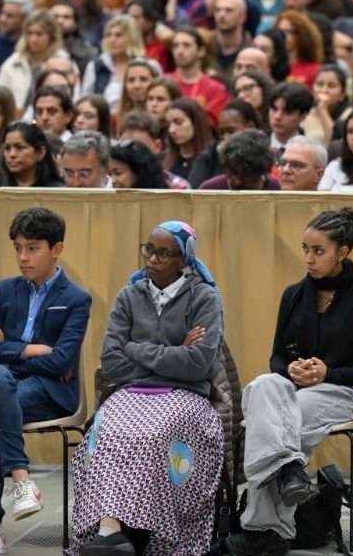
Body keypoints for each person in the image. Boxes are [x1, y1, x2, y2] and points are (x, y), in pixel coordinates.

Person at [225, 208, 353, 555]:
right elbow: (276, 358)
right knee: (265, 384)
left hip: (341, 392)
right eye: (305, 249)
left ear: (342, 252)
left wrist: (328, 374)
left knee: (274, 425)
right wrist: (290, 371)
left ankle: (269, 528)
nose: (309, 259)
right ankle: (290, 472)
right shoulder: (293, 294)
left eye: (318, 251)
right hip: (292, 390)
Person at [70, 220, 224, 555]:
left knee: (155, 435)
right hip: (130, 393)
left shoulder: (204, 298)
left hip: (186, 396)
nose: (152, 259)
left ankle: (148, 532)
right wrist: (175, 352)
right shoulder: (129, 296)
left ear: (184, 259)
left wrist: (137, 348)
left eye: (163, 254)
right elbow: (111, 362)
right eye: (149, 250)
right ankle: (109, 530)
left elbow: (200, 364)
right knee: (107, 432)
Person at [0, 207, 91, 555]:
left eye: (32, 248)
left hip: (47, 392)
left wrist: (6, 347)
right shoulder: (5, 290)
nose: (22, 257)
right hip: (4, 383)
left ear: (57, 249)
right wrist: (31, 350)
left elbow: (63, 360)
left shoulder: (76, 299)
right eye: (18, 247)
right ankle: (21, 479)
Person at [0, 10, 66, 112]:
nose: (33, 39)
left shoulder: (63, 63)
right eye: (30, 33)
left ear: (52, 36)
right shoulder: (13, 62)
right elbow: (0, 96)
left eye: (39, 34)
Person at [80, 15, 148, 113]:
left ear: (132, 37)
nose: (112, 40)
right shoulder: (96, 66)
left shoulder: (147, 65)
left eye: (118, 35)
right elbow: (85, 99)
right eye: (108, 35)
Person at [170, 27, 230, 126]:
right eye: (175, 46)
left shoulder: (216, 89)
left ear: (201, 51)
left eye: (186, 45)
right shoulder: (164, 81)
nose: (180, 51)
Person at [198, 129, 280, 190]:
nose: (237, 182)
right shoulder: (210, 190)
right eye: (231, 173)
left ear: (261, 172)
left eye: (245, 175)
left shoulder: (277, 192)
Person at [163, 98, 215, 181]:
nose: (171, 130)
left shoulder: (213, 159)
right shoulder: (163, 160)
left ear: (196, 122)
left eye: (178, 122)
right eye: (168, 124)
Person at [2, 121, 63, 187]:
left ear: (40, 153)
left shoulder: (56, 191)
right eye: (7, 148)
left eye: (19, 147)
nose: (12, 154)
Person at [274, 10, 323, 88]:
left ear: (301, 35)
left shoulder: (314, 70)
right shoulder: (271, 67)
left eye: (288, 32)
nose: (282, 36)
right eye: (279, 31)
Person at [268, 82, 314, 153]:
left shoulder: (311, 152)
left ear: (303, 115)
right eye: (274, 109)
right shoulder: (257, 147)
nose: (277, 116)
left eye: (287, 111)